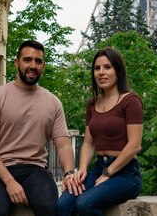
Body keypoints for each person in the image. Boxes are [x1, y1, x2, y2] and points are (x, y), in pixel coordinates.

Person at [0, 40, 79, 216]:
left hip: (35, 170)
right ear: (17, 63)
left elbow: (63, 145)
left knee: (50, 208)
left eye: (38, 61)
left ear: (43, 66)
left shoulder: (53, 102)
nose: (33, 65)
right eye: (27, 60)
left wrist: (69, 173)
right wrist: (9, 181)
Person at [56, 46, 143, 216]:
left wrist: (108, 173)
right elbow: (88, 143)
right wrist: (81, 170)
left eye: (107, 67)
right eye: (97, 68)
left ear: (118, 71)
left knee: (83, 204)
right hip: (98, 168)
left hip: (125, 173)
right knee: (62, 205)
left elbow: (134, 145)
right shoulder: (92, 104)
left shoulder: (131, 101)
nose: (101, 72)